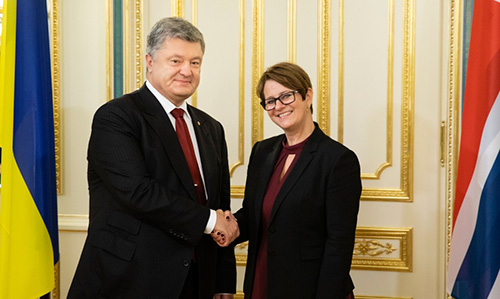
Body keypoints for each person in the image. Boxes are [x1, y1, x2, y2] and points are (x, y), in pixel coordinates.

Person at [68, 17, 238, 299]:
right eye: (176, 61)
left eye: (195, 62)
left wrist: (223, 282)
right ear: (149, 61)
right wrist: (209, 221)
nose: (187, 71)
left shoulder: (211, 128)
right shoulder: (117, 117)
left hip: (196, 280)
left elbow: (220, 205)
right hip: (130, 280)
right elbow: (138, 192)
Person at [216, 62, 361, 298]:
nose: (278, 106)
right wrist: (225, 226)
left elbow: (339, 244)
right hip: (261, 282)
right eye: (270, 101)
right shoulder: (262, 151)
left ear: (307, 95)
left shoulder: (338, 160)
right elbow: (255, 215)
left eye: (286, 96)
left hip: (311, 288)